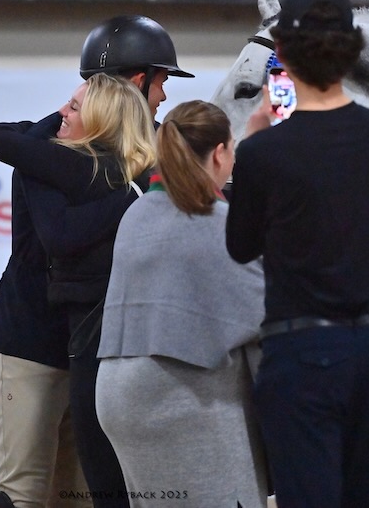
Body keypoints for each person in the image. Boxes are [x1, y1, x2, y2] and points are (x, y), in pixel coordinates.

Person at [0, 16, 190, 508]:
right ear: (138, 81)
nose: (163, 95)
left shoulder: (157, 151)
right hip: (32, 339)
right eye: (161, 81)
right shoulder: (50, 151)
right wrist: (138, 192)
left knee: (74, 493)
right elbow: (61, 238)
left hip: (97, 348)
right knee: (24, 490)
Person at [225, 0, 369, 508]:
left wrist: (251, 147)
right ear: (353, 51)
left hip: (300, 353)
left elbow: (240, 246)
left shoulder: (264, 154)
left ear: (280, 54)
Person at [95, 100, 268, 508]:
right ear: (222, 153)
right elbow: (272, 307)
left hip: (117, 395)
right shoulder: (216, 223)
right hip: (175, 398)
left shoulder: (138, 211)